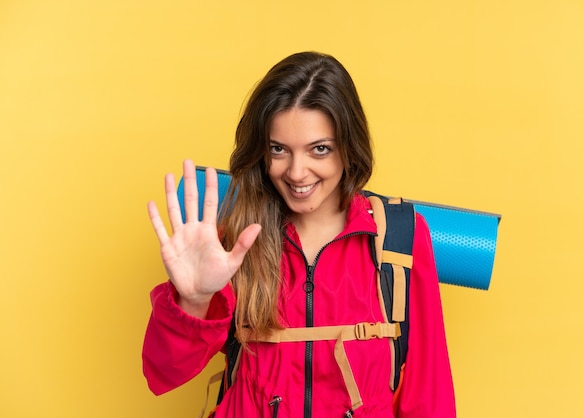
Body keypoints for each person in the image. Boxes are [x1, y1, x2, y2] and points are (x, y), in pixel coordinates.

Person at [143, 51, 456, 417]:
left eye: (319, 149)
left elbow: (430, 398)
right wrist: (194, 300)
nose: (296, 172)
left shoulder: (401, 236)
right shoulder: (233, 244)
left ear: (348, 148)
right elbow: (162, 374)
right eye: (279, 149)